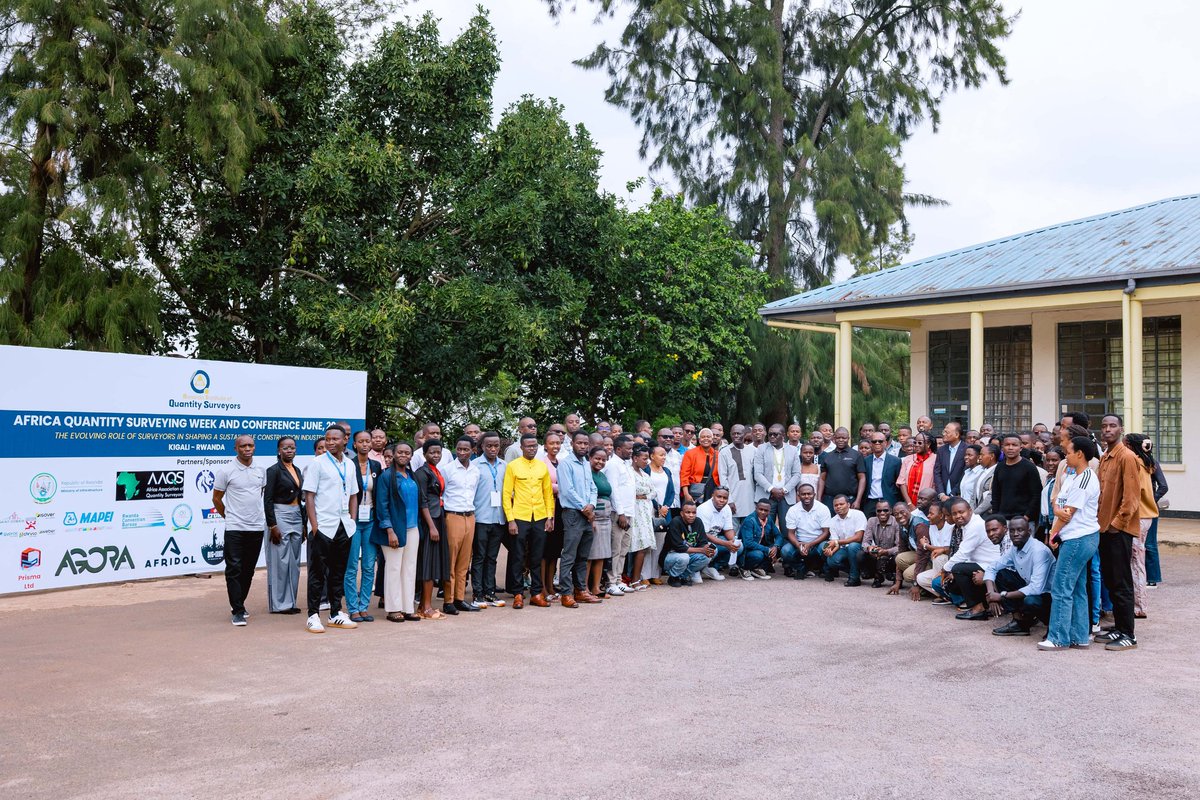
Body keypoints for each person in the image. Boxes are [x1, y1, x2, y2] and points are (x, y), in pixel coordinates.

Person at [1040, 436, 1102, 651]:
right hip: (1074, 537)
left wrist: (1053, 533)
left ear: (1080, 454)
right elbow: (1057, 501)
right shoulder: (1072, 475)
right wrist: (1058, 511)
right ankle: (1079, 636)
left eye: (1068, 453)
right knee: (1076, 588)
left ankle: (1058, 638)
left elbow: (1067, 513)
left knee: (1061, 588)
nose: (1065, 457)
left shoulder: (1085, 479)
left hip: (1078, 538)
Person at [302, 425, 360, 633]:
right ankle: (313, 615)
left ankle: (335, 613)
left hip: (344, 526)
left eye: (335, 439)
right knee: (317, 574)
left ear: (345, 440)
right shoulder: (317, 463)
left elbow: (353, 495)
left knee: (338, 572)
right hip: (323, 527)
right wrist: (314, 526)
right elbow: (309, 496)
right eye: (327, 439)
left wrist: (352, 521)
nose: (330, 442)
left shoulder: (350, 465)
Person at [1094, 415, 1141, 652]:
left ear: (1121, 429)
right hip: (1103, 528)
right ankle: (1119, 628)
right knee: (1111, 580)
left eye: (1112, 426)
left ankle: (1128, 635)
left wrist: (1116, 524)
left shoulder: (1127, 457)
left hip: (1118, 530)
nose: (1107, 430)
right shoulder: (1105, 456)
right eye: (1104, 426)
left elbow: (1131, 498)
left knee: (1122, 583)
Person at [212, 435, 266, 627]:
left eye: (250, 445)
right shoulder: (226, 471)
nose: (247, 448)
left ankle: (239, 603)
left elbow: (260, 493)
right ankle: (237, 610)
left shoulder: (261, 470)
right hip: (235, 527)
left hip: (256, 527)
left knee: (248, 569)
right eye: (243, 446)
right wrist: (229, 517)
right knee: (234, 568)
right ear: (236, 448)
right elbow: (216, 499)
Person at [502, 434, 555, 609]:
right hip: (520, 516)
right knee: (518, 556)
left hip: (540, 516)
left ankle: (536, 593)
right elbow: (506, 494)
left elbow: (548, 493)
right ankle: (518, 594)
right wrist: (510, 520)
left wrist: (549, 517)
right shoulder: (513, 466)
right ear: (522, 448)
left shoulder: (542, 466)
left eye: (534, 446)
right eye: (528, 446)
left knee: (537, 556)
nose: (532, 449)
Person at [373, 442, 422, 623]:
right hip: (394, 530)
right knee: (394, 568)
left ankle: (408, 607)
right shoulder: (386, 476)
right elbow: (382, 505)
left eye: (407, 453)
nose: (403, 455)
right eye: (400, 452)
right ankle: (393, 608)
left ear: (411, 456)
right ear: (393, 454)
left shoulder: (411, 475)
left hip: (412, 528)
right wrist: (389, 530)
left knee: (409, 568)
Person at [986, 516, 1054, 636]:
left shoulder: (1039, 551)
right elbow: (992, 567)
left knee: (1031, 601)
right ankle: (1020, 623)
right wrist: (991, 594)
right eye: (1012, 531)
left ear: (1029, 531)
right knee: (1002, 574)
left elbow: (1036, 588)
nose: (1015, 534)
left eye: (1020, 530)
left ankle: (1052, 627)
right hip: (1031, 588)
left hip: (1049, 596)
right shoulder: (1015, 548)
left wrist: (1001, 596)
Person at [939, 498, 1002, 620]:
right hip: (981, 564)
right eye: (954, 514)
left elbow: (963, 553)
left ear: (970, 510)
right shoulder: (968, 524)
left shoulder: (976, 526)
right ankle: (984, 605)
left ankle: (978, 609)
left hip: (991, 565)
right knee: (952, 581)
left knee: (957, 569)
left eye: (961, 512)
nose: (958, 516)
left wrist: (945, 569)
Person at [263, 436, 304, 615]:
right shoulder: (273, 470)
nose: (289, 450)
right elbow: (267, 500)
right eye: (285, 448)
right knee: (280, 561)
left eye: (292, 447)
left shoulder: (297, 469)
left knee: (294, 561)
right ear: (279, 450)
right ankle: (280, 604)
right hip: (280, 514)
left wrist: (304, 524)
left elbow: (301, 499)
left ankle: (291, 601)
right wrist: (272, 525)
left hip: (297, 515)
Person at [344, 430, 382, 623]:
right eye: (361, 441)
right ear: (355, 444)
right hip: (353, 520)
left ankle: (363, 606)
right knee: (351, 566)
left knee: (368, 565)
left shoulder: (376, 465)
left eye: (368, 441)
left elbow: (379, 493)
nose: (365, 444)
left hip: (371, 520)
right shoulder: (348, 465)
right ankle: (353, 607)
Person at [559, 432, 600, 606]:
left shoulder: (585, 463)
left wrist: (591, 505)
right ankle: (566, 593)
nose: (583, 446)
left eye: (585, 443)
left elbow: (593, 488)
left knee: (583, 556)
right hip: (573, 514)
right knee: (569, 555)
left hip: (587, 514)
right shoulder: (566, 464)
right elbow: (568, 490)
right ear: (572, 444)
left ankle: (581, 590)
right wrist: (585, 508)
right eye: (579, 443)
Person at [442, 436, 481, 614]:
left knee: (465, 561)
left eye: (466, 449)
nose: (462, 452)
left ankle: (459, 598)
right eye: (459, 449)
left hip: (470, 516)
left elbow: (474, 493)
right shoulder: (447, 469)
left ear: (473, 450)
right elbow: (441, 493)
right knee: (451, 559)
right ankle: (448, 600)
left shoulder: (475, 471)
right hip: (453, 516)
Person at [413, 439, 451, 620]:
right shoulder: (421, 473)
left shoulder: (435, 470)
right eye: (432, 452)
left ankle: (424, 606)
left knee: (434, 561)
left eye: (438, 452)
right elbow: (423, 501)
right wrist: (431, 526)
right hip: (429, 521)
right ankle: (426, 608)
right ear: (424, 454)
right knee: (428, 563)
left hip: (438, 517)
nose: (436, 455)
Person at [471, 432, 508, 609]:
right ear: (482, 447)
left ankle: (489, 592)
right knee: (479, 556)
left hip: (499, 518)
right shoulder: (474, 466)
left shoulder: (505, 466)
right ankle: (477, 593)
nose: (493, 449)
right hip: (481, 517)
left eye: (496, 446)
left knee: (492, 557)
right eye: (489, 446)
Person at [1124, 433, 1158, 620]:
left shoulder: (1135, 462)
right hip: (1145, 517)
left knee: (1136, 562)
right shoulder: (1146, 462)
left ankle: (1139, 606)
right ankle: (1138, 604)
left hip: (1138, 517)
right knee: (1137, 560)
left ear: (1130, 446)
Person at [602, 434, 637, 594]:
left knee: (624, 549)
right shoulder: (612, 465)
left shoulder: (626, 464)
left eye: (631, 448)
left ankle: (618, 579)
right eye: (628, 449)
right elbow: (614, 491)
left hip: (629, 512)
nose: (631, 451)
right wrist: (621, 513)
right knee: (615, 549)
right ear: (618, 449)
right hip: (618, 513)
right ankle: (610, 582)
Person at [752, 423, 800, 536]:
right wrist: (772, 489)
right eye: (770, 435)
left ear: (783, 436)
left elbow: (797, 474)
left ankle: (784, 547)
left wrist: (784, 490)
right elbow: (757, 474)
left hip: (786, 496)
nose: (772, 437)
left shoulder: (793, 450)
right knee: (764, 529)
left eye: (775, 434)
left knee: (787, 528)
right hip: (767, 495)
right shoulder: (761, 449)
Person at [782, 483, 832, 578]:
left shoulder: (823, 509)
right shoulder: (793, 510)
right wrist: (798, 545)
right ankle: (801, 567)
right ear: (798, 495)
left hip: (817, 543)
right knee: (785, 550)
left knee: (826, 546)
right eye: (803, 494)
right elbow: (791, 533)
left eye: (809, 494)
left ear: (814, 494)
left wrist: (810, 544)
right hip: (800, 543)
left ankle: (824, 568)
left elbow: (826, 532)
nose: (806, 496)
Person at [660, 501, 715, 586]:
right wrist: (702, 550)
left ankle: (683, 576)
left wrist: (708, 549)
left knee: (708, 555)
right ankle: (673, 577)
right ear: (682, 513)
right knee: (684, 557)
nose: (691, 515)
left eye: (694, 513)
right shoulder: (675, 522)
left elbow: (703, 542)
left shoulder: (698, 521)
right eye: (688, 512)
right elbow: (679, 547)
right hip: (671, 556)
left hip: (688, 554)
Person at [990, 434, 1042, 522]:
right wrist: (996, 516)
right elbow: (995, 493)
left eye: (1014, 445)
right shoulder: (1000, 466)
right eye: (1007, 445)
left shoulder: (1029, 467)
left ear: (1020, 448)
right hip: (1002, 519)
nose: (1010, 448)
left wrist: (1027, 516)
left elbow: (1036, 494)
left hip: (1023, 520)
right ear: (1002, 448)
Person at [627, 444, 656, 591]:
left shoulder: (645, 475)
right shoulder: (628, 472)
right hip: (633, 511)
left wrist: (644, 495)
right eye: (644, 458)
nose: (647, 461)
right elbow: (630, 490)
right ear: (635, 458)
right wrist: (642, 493)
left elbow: (654, 492)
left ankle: (635, 579)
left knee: (643, 546)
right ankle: (626, 579)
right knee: (629, 546)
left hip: (645, 512)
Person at [539, 431, 565, 602]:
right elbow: (544, 485)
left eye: (557, 443)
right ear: (545, 445)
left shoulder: (561, 462)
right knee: (544, 550)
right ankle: (542, 586)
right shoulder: (542, 463)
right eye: (551, 443)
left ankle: (550, 585)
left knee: (554, 550)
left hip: (560, 508)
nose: (555, 446)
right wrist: (561, 487)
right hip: (546, 508)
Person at [586, 446, 614, 598]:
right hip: (594, 517)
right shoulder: (587, 473)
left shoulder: (601, 475)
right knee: (590, 554)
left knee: (602, 553)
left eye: (603, 460)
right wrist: (591, 518)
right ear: (590, 458)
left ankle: (596, 587)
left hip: (605, 518)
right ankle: (584, 588)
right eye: (597, 458)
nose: (600, 462)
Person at [822, 495, 867, 586]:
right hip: (844, 548)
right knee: (832, 561)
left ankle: (854, 578)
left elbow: (859, 538)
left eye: (841, 504)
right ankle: (856, 571)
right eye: (836, 505)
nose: (838, 507)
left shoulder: (858, 514)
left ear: (848, 505)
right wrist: (831, 551)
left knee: (852, 546)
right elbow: (835, 542)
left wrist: (836, 542)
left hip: (860, 548)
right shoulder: (833, 521)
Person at [696, 487, 738, 580]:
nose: (722, 500)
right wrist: (726, 543)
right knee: (713, 549)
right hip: (701, 541)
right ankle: (698, 568)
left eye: (725, 498)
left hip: (716, 538)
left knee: (739, 547)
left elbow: (728, 529)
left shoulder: (726, 508)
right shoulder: (704, 509)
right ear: (712, 496)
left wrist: (733, 541)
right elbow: (705, 535)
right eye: (719, 497)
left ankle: (714, 566)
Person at [719, 423, 758, 525]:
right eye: (733, 433)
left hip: (750, 499)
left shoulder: (753, 451)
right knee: (732, 531)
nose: (736, 436)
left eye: (739, 433)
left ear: (745, 434)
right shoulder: (724, 452)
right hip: (733, 498)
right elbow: (723, 477)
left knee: (748, 529)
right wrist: (728, 500)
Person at [817, 427, 862, 511]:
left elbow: (862, 478)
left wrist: (858, 500)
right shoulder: (827, 456)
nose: (841, 440)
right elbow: (822, 478)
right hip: (829, 500)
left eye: (844, 438)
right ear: (834, 438)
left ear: (848, 438)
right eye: (838, 438)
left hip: (850, 499)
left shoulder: (857, 455)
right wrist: (819, 499)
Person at [857, 431, 901, 509]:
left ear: (885, 443)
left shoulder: (896, 461)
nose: (877, 443)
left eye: (880, 441)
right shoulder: (865, 461)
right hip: (869, 502)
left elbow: (899, 484)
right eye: (874, 441)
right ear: (871, 444)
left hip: (889, 502)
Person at [736, 500, 779, 580]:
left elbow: (778, 535)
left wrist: (775, 547)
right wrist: (768, 550)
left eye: (766, 510)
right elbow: (748, 543)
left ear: (769, 511)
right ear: (756, 508)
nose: (763, 512)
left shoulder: (769, 519)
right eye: (760, 509)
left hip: (760, 548)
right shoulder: (749, 520)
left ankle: (755, 569)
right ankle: (744, 568)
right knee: (758, 555)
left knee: (779, 549)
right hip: (747, 552)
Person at [861, 500, 901, 588]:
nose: (882, 513)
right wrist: (869, 548)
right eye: (879, 511)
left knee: (899, 556)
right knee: (860, 555)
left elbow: (899, 546)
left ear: (890, 511)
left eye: (885, 510)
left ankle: (896, 577)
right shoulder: (871, 521)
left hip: (892, 553)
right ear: (876, 511)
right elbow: (865, 542)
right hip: (877, 553)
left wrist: (886, 551)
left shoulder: (896, 521)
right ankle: (877, 576)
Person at [679, 427, 720, 504]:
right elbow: (684, 475)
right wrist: (686, 494)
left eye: (708, 437)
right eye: (703, 437)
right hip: (695, 491)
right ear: (699, 440)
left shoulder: (718, 454)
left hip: (713, 490)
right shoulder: (690, 453)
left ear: (712, 439)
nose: (706, 439)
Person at [933, 421, 966, 500]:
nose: (944, 434)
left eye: (947, 432)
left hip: (959, 496)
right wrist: (941, 494)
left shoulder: (966, 449)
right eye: (943, 432)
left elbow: (965, 473)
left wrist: (953, 493)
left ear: (956, 435)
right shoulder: (941, 450)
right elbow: (937, 472)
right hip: (942, 496)